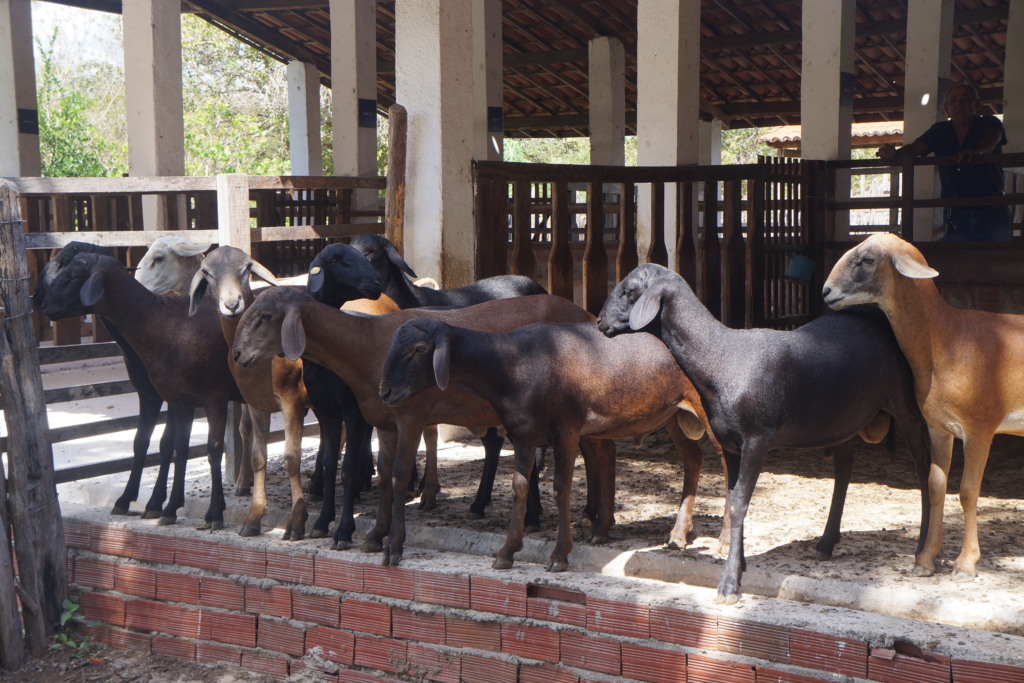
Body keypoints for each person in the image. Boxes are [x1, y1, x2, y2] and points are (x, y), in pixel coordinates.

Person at [877, 83, 1012, 241]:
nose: (959, 105)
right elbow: (915, 149)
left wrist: (978, 152)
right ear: (946, 107)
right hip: (956, 212)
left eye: (965, 100)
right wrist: (895, 154)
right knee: (957, 259)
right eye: (953, 101)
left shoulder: (989, 123)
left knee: (998, 258)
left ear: (976, 104)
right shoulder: (939, 131)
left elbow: (993, 138)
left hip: (992, 209)